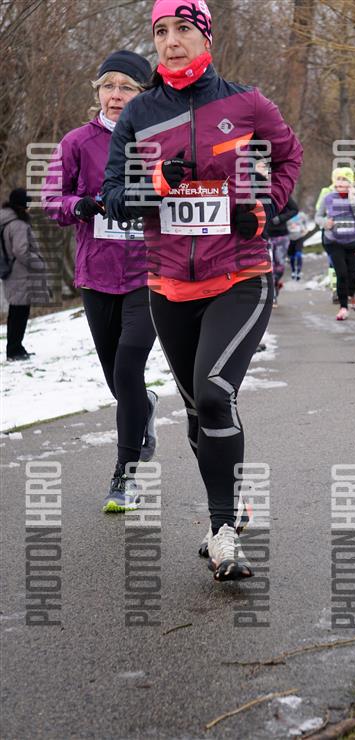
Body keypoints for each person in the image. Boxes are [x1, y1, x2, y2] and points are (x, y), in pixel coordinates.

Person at [102, 0, 302, 580]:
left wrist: (264, 207)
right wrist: (155, 186)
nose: (171, 41)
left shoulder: (247, 103)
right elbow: (113, 196)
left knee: (214, 394)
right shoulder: (139, 114)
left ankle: (222, 532)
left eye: (184, 29)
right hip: (167, 284)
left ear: (205, 36)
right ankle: (231, 502)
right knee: (196, 412)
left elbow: (288, 157)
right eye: (162, 31)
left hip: (240, 275)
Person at [42, 50, 158, 513]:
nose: (116, 95)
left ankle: (124, 476)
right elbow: (51, 200)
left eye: (126, 87)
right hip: (97, 275)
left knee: (128, 367)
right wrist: (81, 205)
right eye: (108, 86)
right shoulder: (76, 142)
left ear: (142, 95)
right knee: (118, 379)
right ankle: (144, 407)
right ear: (98, 92)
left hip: (150, 274)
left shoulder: (158, 140)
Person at [1, 188, 49, 360]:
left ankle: (16, 348)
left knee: (16, 313)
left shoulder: (6, 221)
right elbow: (21, 251)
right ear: (22, 206)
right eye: (27, 204)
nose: (29, 208)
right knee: (19, 314)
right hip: (20, 274)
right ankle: (14, 351)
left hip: (11, 272)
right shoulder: (18, 225)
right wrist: (39, 263)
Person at [315, 167, 355, 321]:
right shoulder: (328, 197)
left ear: (350, 182)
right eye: (338, 179)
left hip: (354, 241)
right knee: (341, 274)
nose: (341, 183)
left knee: (354, 277)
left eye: (344, 180)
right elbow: (318, 216)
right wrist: (325, 223)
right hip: (334, 241)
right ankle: (343, 307)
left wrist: (352, 199)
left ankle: (351, 294)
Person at [267, 195, 298, 304]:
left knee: (279, 265)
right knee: (268, 265)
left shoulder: (281, 193)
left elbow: (295, 210)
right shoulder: (258, 191)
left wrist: (280, 218)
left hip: (281, 236)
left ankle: (275, 285)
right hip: (265, 236)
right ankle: (272, 294)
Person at [287, 210, 309, 280]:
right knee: (292, 257)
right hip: (290, 239)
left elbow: (306, 222)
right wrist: (290, 227)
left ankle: (299, 272)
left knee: (298, 254)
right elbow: (284, 226)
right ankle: (293, 271)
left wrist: (305, 229)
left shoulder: (301, 215)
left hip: (299, 237)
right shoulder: (286, 215)